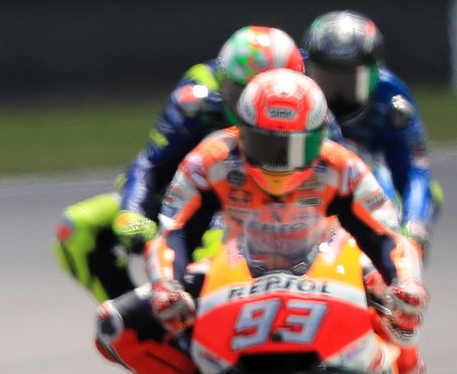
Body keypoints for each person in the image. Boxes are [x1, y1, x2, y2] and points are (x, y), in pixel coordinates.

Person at [93, 69, 433, 374]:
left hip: (329, 257)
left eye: (290, 147)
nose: (277, 161)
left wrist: (405, 281)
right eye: (265, 143)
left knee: (400, 311)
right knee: (114, 325)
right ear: (241, 129)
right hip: (238, 263)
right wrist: (168, 285)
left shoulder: (342, 165)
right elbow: (174, 233)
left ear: (316, 137)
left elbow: (386, 236)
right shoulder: (211, 159)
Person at [54, 25, 306, 303]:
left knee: (213, 245)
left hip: (274, 211)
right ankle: (142, 324)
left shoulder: (308, 103)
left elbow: (336, 166)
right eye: (240, 93)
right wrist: (131, 212)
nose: (249, 108)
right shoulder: (196, 94)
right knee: (77, 228)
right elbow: (152, 162)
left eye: (261, 95)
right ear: (223, 80)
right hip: (189, 201)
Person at [302, 10, 440, 252]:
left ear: (375, 72)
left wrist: (414, 225)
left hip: (368, 171)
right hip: (306, 175)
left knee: (424, 202)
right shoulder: (293, 87)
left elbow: (415, 168)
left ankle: (394, 261)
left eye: (349, 82)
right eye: (328, 81)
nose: (338, 96)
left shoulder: (393, 100)